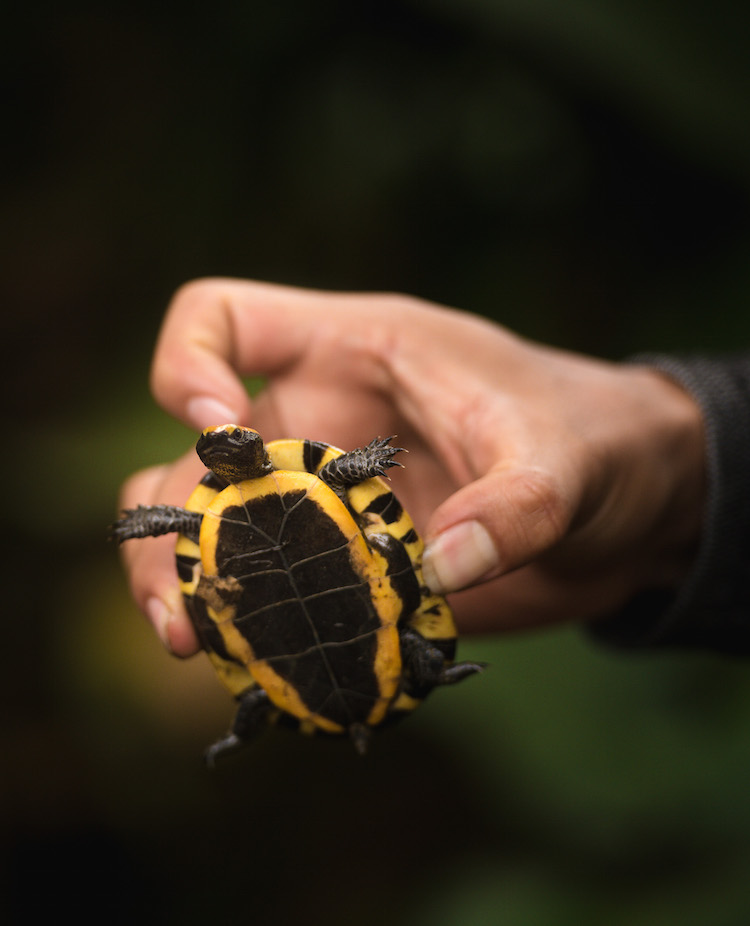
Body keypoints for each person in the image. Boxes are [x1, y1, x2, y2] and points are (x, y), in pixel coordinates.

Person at [117, 277, 750, 657]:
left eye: (233, 443)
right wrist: (693, 474)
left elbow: (342, 472)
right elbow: (181, 521)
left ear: (256, 447)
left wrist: (688, 479)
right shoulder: (225, 505)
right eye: (215, 451)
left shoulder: (315, 473)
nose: (225, 449)